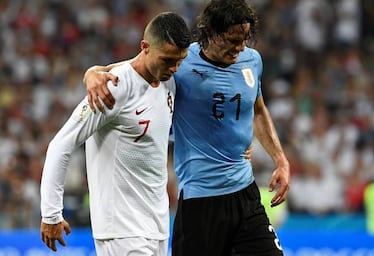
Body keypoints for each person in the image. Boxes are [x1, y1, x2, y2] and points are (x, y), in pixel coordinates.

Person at [84, 0, 290, 255]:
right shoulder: (180, 63)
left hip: (245, 193)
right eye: (233, 40)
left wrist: (280, 159)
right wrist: (93, 72)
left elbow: (258, 110)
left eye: (245, 39)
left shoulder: (252, 61)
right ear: (211, 32)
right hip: (201, 200)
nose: (240, 48)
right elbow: (131, 69)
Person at [40, 12, 191, 256]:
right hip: (121, 230)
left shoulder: (167, 82)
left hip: (158, 227)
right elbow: (61, 144)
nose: (174, 68)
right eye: (167, 60)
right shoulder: (113, 88)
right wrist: (50, 213)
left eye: (179, 61)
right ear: (145, 47)